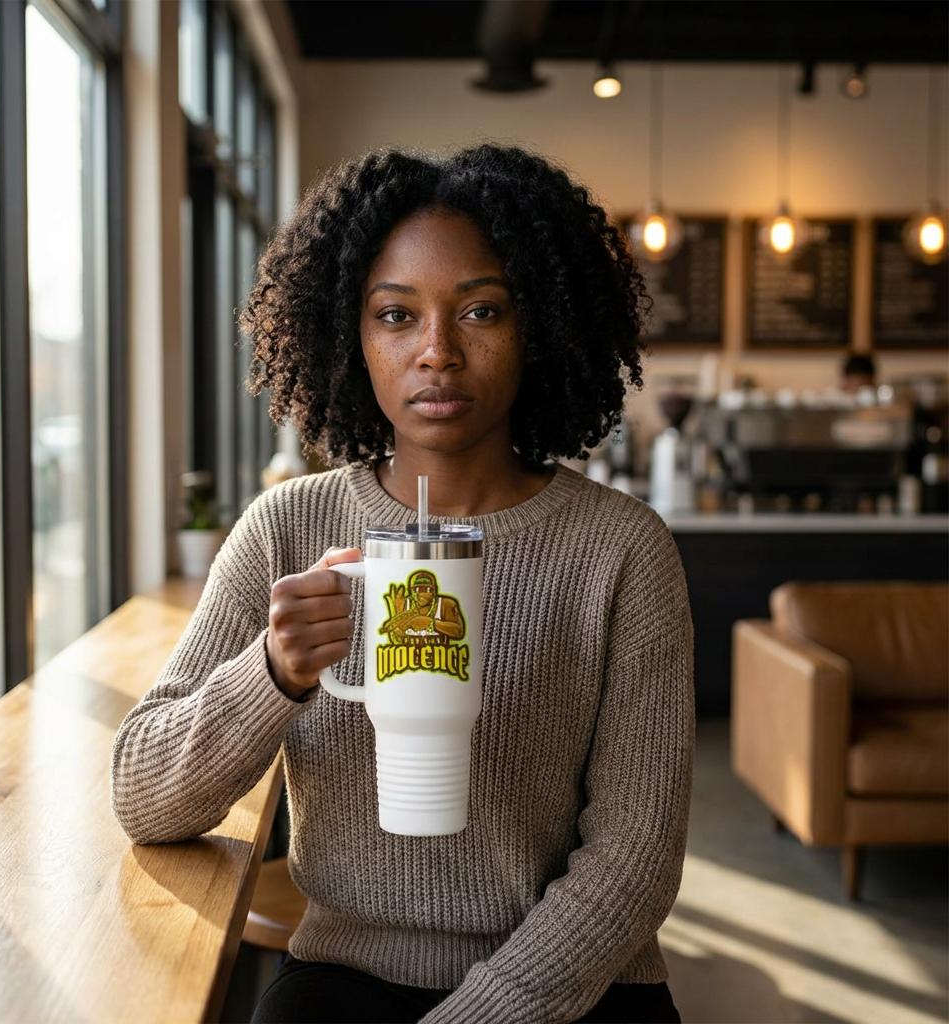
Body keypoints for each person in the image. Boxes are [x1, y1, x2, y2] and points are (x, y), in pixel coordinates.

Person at [111, 145, 694, 1024]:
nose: (438, 353)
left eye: (481, 311)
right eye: (395, 315)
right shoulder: (287, 528)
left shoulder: (622, 550)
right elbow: (145, 796)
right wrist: (274, 671)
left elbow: (636, 859)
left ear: (539, 328)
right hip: (346, 976)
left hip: (577, 985)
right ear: (350, 334)